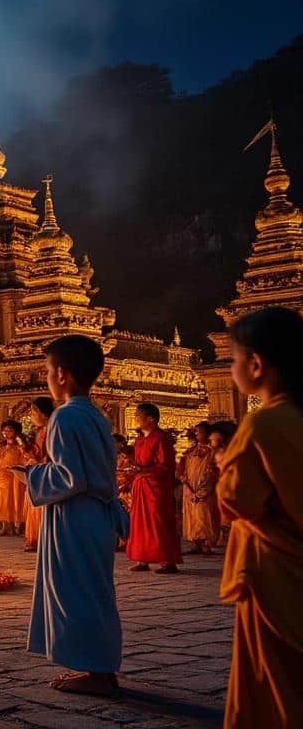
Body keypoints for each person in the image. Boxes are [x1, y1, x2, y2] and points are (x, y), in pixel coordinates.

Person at [11, 334, 125, 697]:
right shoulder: (95, 415)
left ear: (61, 374)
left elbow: (70, 476)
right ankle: (100, 666)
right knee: (94, 590)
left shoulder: (65, 417)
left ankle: (97, 672)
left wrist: (29, 474)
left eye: (46, 370)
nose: (46, 377)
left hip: (74, 516)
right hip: (95, 514)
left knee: (77, 591)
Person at [215, 307, 303, 728]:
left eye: (231, 360)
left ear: (256, 365)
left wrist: (223, 465)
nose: (230, 369)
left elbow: (238, 502)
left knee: (275, 684)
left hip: (275, 572)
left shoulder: (262, 425)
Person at [127, 403, 182, 573]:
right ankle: (142, 558)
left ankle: (167, 561)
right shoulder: (140, 439)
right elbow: (137, 461)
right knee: (139, 522)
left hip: (156, 486)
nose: (136, 418)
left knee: (158, 521)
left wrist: (143, 470)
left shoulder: (161, 438)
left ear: (151, 419)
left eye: (139, 416)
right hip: (141, 485)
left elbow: (165, 465)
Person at [178, 422, 218, 556]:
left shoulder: (212, 451)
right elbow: (184, 466)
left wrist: (203, 490)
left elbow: (211, 472)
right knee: (192, 515)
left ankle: (207, 544)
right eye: (196, 432)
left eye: (200, 432)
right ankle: (196, 543)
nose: (197, 434)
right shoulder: (192, 450)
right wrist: (182, 475)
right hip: (190, 486)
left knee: (204, 515)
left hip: (204, 487)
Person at [23, 397, 56, 551]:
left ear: (42, 413)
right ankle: (37, 538)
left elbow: (55, 457)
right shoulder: (41, 432)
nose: (31, 416)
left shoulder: (54, 431)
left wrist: (39, 462)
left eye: (32, 412)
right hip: (39, 474)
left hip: (51, 478)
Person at [0, 421, 26, 536]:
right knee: (1, 502)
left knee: (13, 501)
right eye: (4, 430)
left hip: (14, 476)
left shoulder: (19, 448)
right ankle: (5, 526)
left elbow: (24, 461)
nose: (6, 432)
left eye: (9, 430)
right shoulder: (0, 448)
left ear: (15, 432)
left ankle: (16, 526)